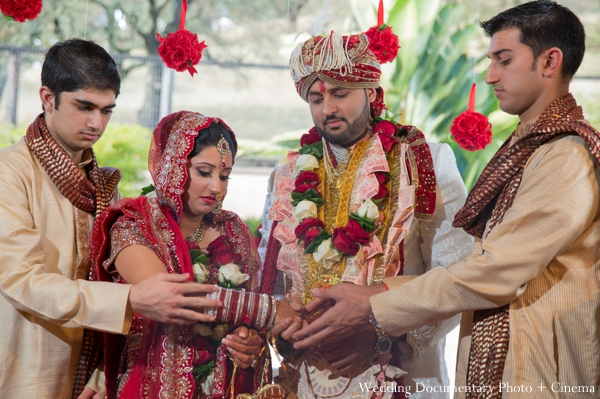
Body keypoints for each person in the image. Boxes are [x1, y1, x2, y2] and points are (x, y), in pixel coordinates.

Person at [292, 2, 600, 398]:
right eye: (316, 98)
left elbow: (495, 271)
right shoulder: (530, 148)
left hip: (539, 370)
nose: (490, 76)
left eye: (503, 60)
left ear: (549, 62)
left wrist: (375, 308)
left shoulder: (564, 154)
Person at [0, 40, 220, 399]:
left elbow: (114, 278)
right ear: (47, 97)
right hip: (26, 372)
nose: (96, 123)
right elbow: (23, 280)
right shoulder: (10, 173)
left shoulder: (103, 186)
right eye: (84, 107)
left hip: (91, 380)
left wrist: (104, 373)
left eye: (106, 110)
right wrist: (131, 300)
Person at [258, 30, 473, 397]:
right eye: (315, 98)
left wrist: (378, 331)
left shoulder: (424, 162)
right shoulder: (287, 177)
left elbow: (458, 276)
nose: (328, 109)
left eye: (340, 93)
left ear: (372, 93)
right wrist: (284, 324)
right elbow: (273, 281)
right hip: (304, 377)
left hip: (397, 374)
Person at [91, 110, 282, 398]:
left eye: (225, 176)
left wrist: (250, 340)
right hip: (149, 384)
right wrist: (272, 311)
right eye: (204, 172)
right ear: (174, 166)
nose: (216, 187)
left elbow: (248, 320)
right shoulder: (134, 223)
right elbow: (174, 298)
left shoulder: (233, 230)